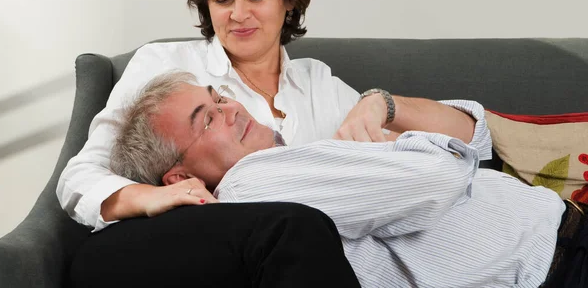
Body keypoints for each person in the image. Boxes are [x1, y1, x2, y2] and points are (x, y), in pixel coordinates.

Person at [57, 0, 489, 231]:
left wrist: (382, 103)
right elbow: (80, 178)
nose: (238, 15)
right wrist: (156, 196)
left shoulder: (317, 83)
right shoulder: (165, 65)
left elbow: (472, 142)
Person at [110, 71, 588, 288]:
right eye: (207, 119)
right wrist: (398, 145)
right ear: (180, 175)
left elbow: (473, 143)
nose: (231, 109)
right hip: (558, 263)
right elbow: (441, 176)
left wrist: (387, 126)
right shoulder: (251, 183)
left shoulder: (282, 169)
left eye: (220, 98)